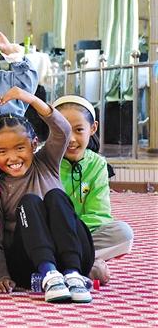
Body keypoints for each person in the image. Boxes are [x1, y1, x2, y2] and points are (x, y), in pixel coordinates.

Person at [0, 88, 94, 304]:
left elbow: (63, 129)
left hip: (74, 257)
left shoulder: (47, 162)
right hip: (31, 266)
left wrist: (30, 99)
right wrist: (1, 275)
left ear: (34, 144)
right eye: (2, 152)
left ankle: (74, 275)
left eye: (20, 148)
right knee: (29, 202)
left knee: (56, 196)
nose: (12, 157)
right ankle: (50, 275)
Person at [53, 95, 133, 285]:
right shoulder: (45, 160)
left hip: (80, 235)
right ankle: (82, 265)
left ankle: (62, 265)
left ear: (93, 128)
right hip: (50, 237)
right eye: (63, 129)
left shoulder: (97, 164)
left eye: (79, 129)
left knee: (123, 234)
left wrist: (71, 232)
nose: (71, 138)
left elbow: (99, 215)